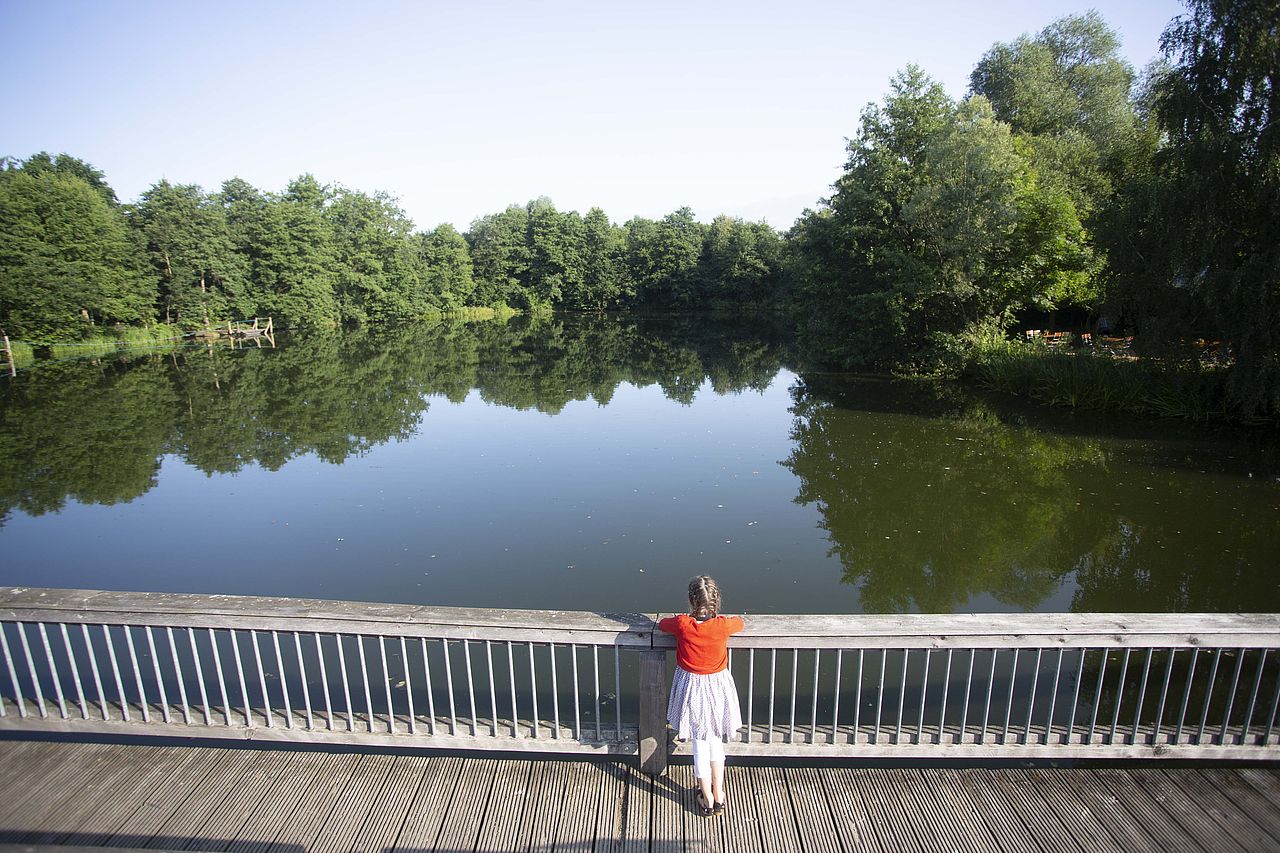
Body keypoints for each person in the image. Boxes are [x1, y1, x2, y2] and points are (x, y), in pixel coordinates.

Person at [658, 575, 744, 817]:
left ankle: (706, 798)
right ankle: (720, 794)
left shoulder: (683, 624)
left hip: (692, 689)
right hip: (717, 688)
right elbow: (740, 624)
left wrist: (681, 617)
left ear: (690, 601)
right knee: (715, 740)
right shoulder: (723, 625)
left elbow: (663, 624)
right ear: (716, 601)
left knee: (700, 744)